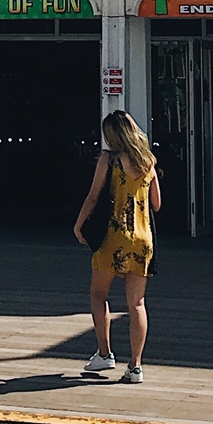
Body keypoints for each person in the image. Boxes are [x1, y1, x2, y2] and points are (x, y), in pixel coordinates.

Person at [73, 109, 162, 384]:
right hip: (143, 238)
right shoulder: (148, 161)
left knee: (98, 294)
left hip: (113, 236)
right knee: (137, 303)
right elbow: (157, 204)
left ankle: (104, 352)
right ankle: (135, 366)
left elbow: (92, 197)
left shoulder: (108, 160)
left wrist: (79, 225)